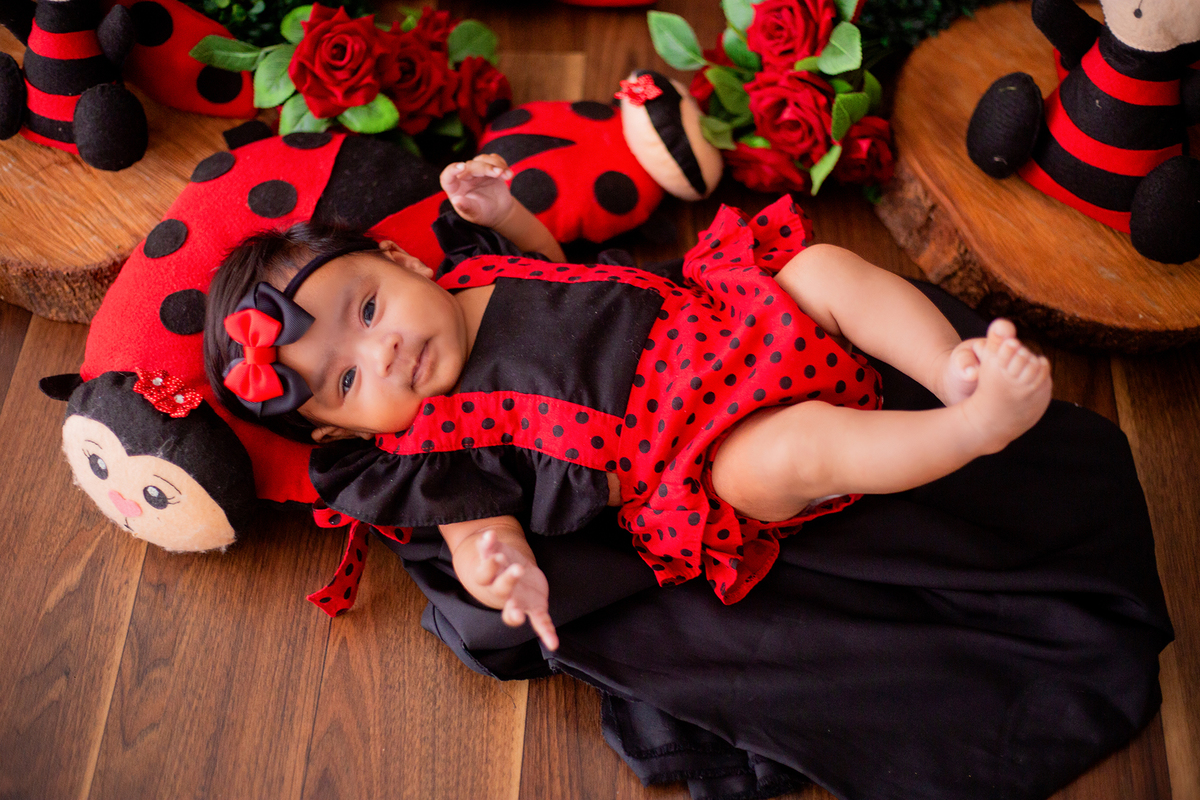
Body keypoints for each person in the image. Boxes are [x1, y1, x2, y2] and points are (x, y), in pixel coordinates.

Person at [204, 153, 1051, 652]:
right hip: (699, 447)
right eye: (346, 383)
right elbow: (476, 530)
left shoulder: (477, 268)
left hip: (725, 321)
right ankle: (968, 427)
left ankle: (951, 369)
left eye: (367, 309)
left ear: (405, 260)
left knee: (821, 268)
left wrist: (507, 212)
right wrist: (500, 571)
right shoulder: (434, 449)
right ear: (334, 429)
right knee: (784, 459)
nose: (381, 351)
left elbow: (555, 262)